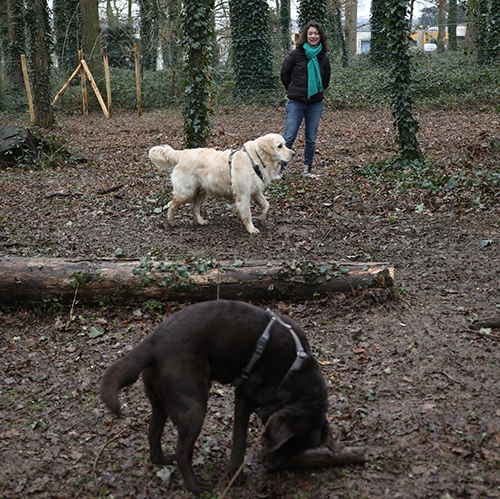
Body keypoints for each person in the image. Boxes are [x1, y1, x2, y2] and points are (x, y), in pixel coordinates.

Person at [280, 21, 331, 178]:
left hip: (315, 103)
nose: (313, 36)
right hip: (296, 102)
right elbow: (284, 75)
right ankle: (279, 170)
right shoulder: (295, 55)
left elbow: (326, 81)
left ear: (320, 36)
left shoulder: (323, 58)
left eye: (316, 33)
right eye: (310, 33)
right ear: (305, 36)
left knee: (311, 138)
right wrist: (294, 90)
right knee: (289, 136)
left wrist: (315, 92)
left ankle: (307, 169)